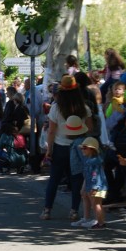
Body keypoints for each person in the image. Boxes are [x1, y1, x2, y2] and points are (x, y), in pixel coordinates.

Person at [42, 75, 94, 221]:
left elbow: (51, 131)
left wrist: (49, 149)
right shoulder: (84, 107)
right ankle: (74, 211)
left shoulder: (56, 108)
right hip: (79, 147)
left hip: (60, 146)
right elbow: (90, 128)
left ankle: (47, 210)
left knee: (54, 179)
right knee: (76, 179)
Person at [75, 137, 108, 230]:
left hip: (98, 186)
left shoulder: (94, 162)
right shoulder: (90, 160)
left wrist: (95, 187)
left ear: (92, 149)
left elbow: (95, 175)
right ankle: (98, 221)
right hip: (94, 185)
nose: (82, 150)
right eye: (82, 148)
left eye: (85, 148)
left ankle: (101, 223)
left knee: (97, 204)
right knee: (95, 204)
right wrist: (85, 186)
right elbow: (88, 175)